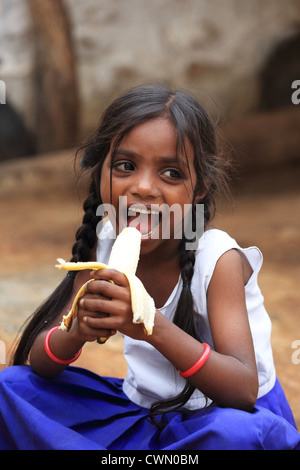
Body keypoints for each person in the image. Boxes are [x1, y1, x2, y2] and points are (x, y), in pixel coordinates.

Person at [0, 84, 299, 450]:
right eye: (125, 166)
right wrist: (76, 329)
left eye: (171, 173)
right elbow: (42, 362)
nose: (143, 187)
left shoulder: (217, 258)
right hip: (143, 413)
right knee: (12, 387)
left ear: (201, 187)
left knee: (233, 437)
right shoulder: (105, 240)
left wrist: (149, 324)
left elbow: (242, 390)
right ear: (100, 173)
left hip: (222, 419)